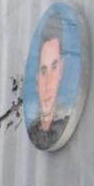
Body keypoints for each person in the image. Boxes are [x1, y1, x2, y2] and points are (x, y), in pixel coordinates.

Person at [27, 11, 68, 151]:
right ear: (37, 78)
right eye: (43, 71)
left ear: (61, 71)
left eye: (54, 67)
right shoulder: (33, 130)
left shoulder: (63, 126)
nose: (48, 83)